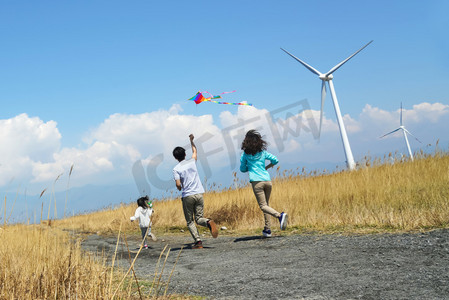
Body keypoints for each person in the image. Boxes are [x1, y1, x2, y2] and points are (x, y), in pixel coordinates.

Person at [172, 134, 218, 249]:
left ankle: (198, 242)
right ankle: (208, 222)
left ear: (175, 158)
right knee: (199, 218)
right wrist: (191, 141)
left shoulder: (176, 169)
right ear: (185, 154)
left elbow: (178, 185)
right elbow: (195, 150)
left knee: (190, 221)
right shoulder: (192, 161)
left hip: (188, 196)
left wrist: (179, 187)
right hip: (199, 193)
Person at [240, 129, 288, 237]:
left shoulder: (245, 155)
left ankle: (280, 216)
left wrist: (250, 166)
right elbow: (275, 160)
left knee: (262, 206)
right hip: (267, 181)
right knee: (266, 205)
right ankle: (267, 229)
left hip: (257, 182)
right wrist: (266, 167)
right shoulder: (263, 153)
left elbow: (242, 169)